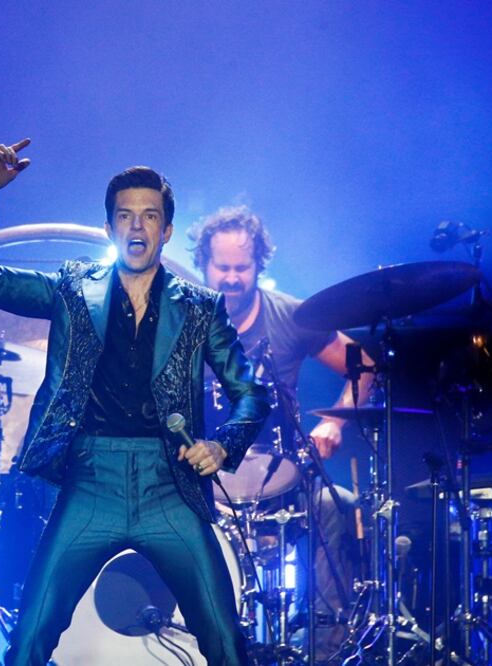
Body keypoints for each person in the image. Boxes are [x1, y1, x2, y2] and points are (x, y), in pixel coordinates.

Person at [0, 138, 270, 666]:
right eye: (125, 216)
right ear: (109, 228)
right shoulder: (74, 289)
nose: (137, 226)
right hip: (91, 481)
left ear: (166, 231)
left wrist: (223, 446)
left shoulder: (199, 308)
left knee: (225, 643)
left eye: (149, 216)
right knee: (29, 640)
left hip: (168, 486)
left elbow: (251, 395)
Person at [188, 204, 376, 657]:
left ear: (258, 266)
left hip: (283, 477)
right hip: (199, 476)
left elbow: (365, 366)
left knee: (338, 506)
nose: (231, 278)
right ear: (203, 264)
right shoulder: (181, 316)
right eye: (222, 267)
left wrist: (334, 421)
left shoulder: (290, 316)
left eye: (242, 267)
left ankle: (325, 648)